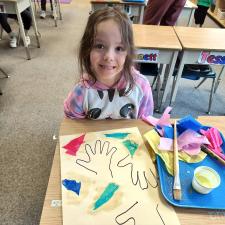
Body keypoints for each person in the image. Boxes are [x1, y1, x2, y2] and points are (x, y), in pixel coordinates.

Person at [64, 7, 154, 120]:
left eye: (119, 48)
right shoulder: (81, 92)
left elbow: (146, 124)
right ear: (87, 49)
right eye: (99, 46)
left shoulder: (141, 87)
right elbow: (72, 125)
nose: (109, 57)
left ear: (128, 52)